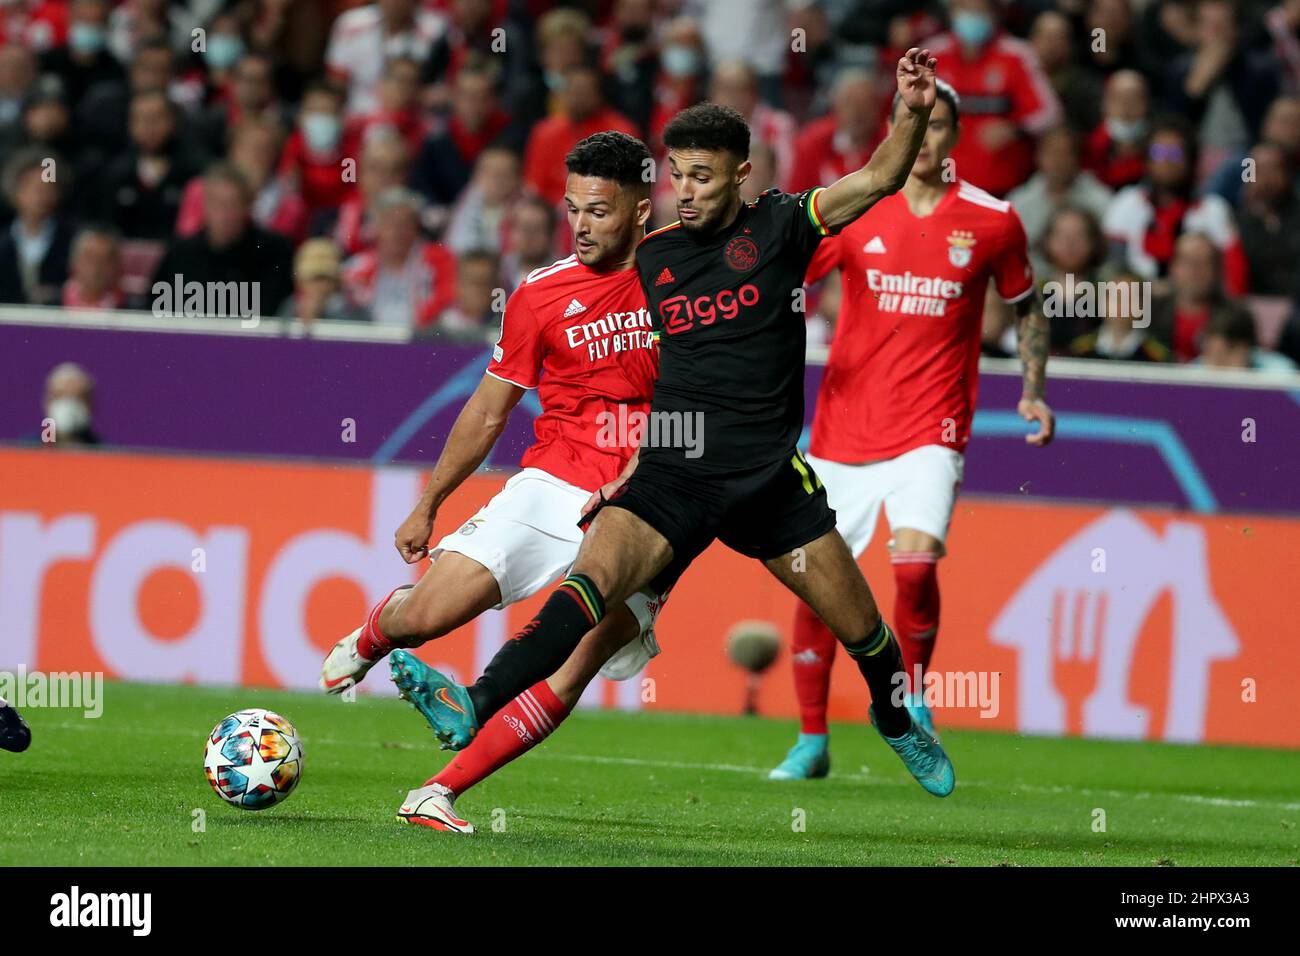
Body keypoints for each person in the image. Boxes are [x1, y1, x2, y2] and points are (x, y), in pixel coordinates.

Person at [388, 50, 959, 804]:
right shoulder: (651, 258)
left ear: (741, 174)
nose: (687, 192)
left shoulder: (785, 226)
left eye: (704, 176)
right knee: (588, 588)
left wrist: (911, 110)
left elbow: (880, 178)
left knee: (863, 633)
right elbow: (587, 301)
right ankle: (475, 698)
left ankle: (895, 718)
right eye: (678, 175)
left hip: (766, 483)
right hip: (673, 471)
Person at [318, 132, 665, 832]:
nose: (582, 225)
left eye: (599, 210)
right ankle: (373, 635)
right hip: (551, 486)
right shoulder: (540, 294)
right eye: (573, 210)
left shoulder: (681, 278)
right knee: (425, 617)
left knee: (574, 660)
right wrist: (429, 505)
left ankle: (435, 793)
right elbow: (486, 409)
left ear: (639, 209)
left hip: (650, 504)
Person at [768, 79, 1055, 781]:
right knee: (817, 582)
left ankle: (912, 697)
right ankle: (811, 739)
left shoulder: (993, 220)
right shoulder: (859, 213)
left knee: (916, 562)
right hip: (842, 430)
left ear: (953, 136)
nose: (923, 139)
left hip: (934, 425)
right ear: (894, 131)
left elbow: (1028, 307)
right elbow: (787, 280)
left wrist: (1034, 391)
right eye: (912, 124)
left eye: (935, 126)